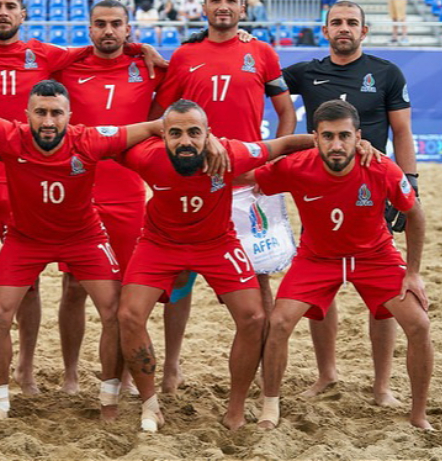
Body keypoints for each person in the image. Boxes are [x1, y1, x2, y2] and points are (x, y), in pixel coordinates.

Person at [0, 0, 163, 395]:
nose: (3, 13)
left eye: (10, 6)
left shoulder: (48, 55)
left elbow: (105, 47)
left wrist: (140, 48)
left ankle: (46, 370)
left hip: (62, 178)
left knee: (71, 285)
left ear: (23, 13)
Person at [0, 79, 167, 423]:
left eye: (56, 113)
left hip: (83, 238)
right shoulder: (8, 135)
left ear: (69, 116)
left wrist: (207, 138)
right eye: (41, 112)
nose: (48, 121)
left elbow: (156, 125)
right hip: (25, 239)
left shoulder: (89, 140)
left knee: (113, 311)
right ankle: (0, 403)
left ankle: (108, 400)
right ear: (27, 114)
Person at [117, 100, 316, 433]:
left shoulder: (230, 154)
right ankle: (150, 406)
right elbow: (107, 142)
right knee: (128, 315)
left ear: (208, 134)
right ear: (163, 136)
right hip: (159, 244)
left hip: (217, 244)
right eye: (176, 133)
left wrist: (347, 143)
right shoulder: (146, 156)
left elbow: (284, 144)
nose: (185, 141)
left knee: (254, 317)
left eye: (194, 133)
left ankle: (235, 409)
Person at [151, 0, 297, 392]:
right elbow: (161, 117)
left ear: (243, 8)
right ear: (203, 7)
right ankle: (172, 366)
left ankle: (264, 367)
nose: (223, 5)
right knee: (181, 276)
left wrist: (271, 160)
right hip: (193, 181)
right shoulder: (185, 55)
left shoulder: (262, 53)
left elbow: (286, 112)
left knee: (259, 277)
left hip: (247, 182)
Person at [255, 100, 432, 431]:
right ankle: (270, 407)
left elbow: (415, 214)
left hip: (375, 257)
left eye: (344, 136)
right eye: (328, 136)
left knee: (419, 324)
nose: (336, 145)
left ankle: (418, 415)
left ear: (358, 137)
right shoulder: (296, 166)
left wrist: (413, 273)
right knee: (278, 323)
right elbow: (246, 179)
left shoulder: (381, 167)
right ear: (315, 138)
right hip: (317, 258)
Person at [282, 0, 418, 406]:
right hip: (321, 191)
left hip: (372, 192)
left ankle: (382, 386)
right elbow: (256, 81)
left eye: (352, 22)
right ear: (325, 31)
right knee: (320, 288)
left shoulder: (387, 73)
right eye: (336, 22)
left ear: (364, 30)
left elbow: (402, 131)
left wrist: (410, 183)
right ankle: (327, 374)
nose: (344, 28)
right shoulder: (305, 72)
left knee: (383, 295)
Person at [51, 0, 168, 394]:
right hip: (79, 190)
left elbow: (187, 79)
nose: (108, 31)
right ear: (89, 29)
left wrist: (143, 49)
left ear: (128, 29)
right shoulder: (68, 66)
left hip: (128, 192)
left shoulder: (147, 67)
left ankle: (126, 375)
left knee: (125, 290)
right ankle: (70, 373)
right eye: (100, 24)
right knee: (73, 287)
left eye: (116, 24)